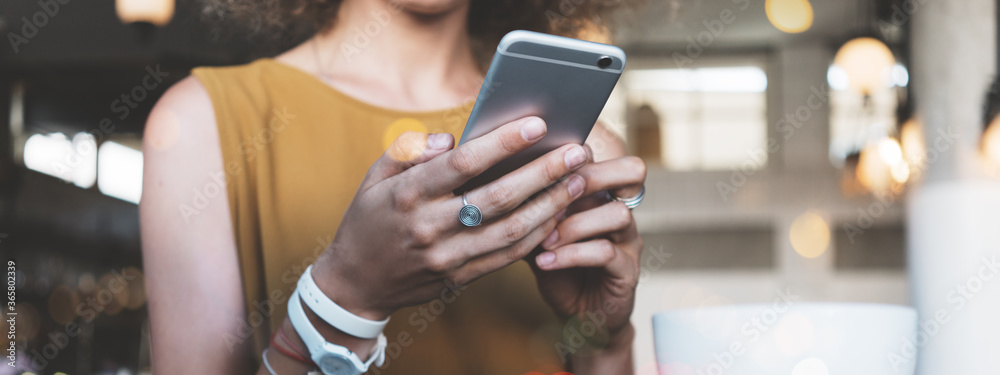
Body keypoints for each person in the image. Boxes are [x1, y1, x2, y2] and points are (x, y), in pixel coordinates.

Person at [139, 0, 647, 374]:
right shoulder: (203, 122)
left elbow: (596, 347)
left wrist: (605, 338)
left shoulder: (584, 142)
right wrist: (346, 297)